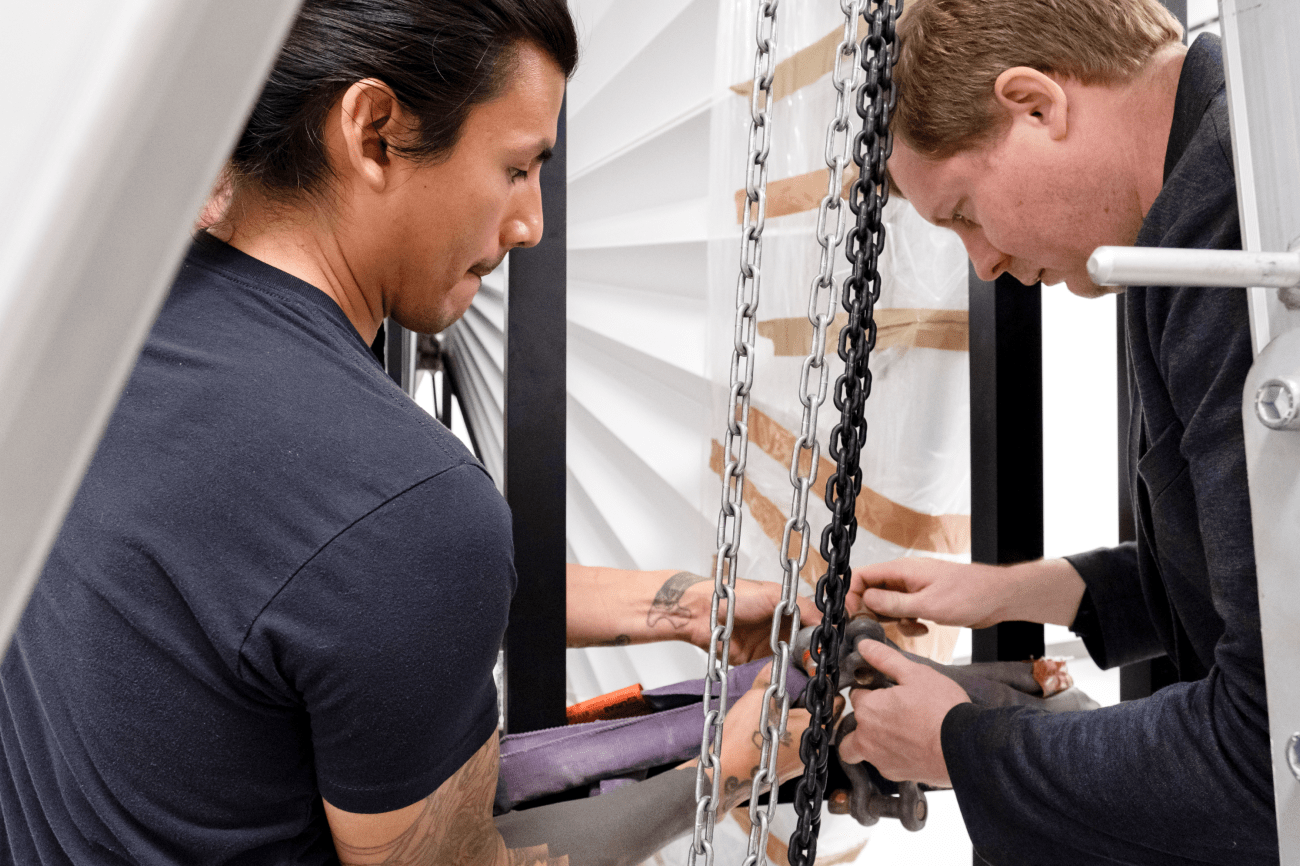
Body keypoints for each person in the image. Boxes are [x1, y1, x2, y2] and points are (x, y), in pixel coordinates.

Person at [0, 3, 811, 864]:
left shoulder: (80, 330)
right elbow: (374, 568)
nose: (531, 222)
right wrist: (728, 767)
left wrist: (688, 608)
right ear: (375, 132)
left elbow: (314, 594)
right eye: (517, 167)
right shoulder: (402, 504)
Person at [836, 1, 1279, 864]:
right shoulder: (1189, 216)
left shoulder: (1233, 241)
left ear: (1037, 104)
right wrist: (1002, 594)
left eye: (963, 210)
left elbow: (1268, 755)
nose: (985, 261)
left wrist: (959, 748)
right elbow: (1244, 581)